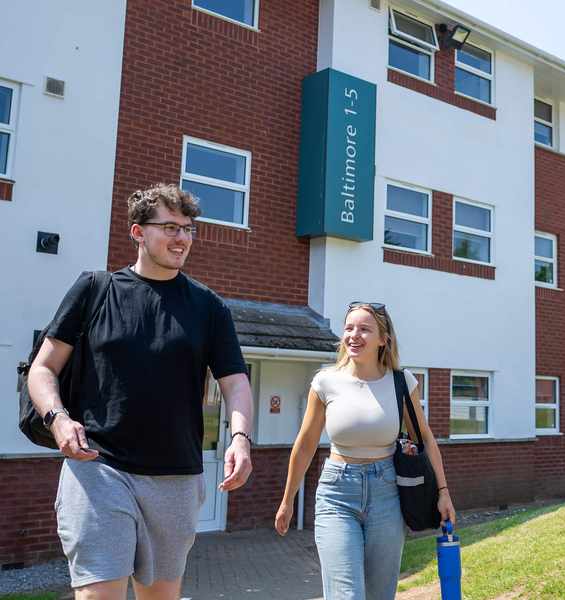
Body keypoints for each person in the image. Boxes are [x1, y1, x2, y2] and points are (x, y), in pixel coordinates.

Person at [27, 183, 254, 600]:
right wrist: (57, 418)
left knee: (159, 597)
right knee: (98, 594)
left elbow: (236, 382)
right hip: (99, 466)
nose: (182, 238)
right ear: (137, 233)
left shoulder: (209, 307)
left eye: (188, 229)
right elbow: (43, 369)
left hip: (176, 477)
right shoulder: (95, 290)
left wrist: (240, 438)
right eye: (169, 227)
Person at [275, 302, 455, 600]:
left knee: (379, 594)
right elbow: (305, 443)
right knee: (347, 595)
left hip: (387, 492)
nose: (353, 335)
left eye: (364, 329)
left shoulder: (401, 382)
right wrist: (287, 500)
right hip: (336, 492)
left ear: (383, 339)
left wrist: (443, 492)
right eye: (348, 328)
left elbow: (425, 438)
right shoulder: (325, 381)